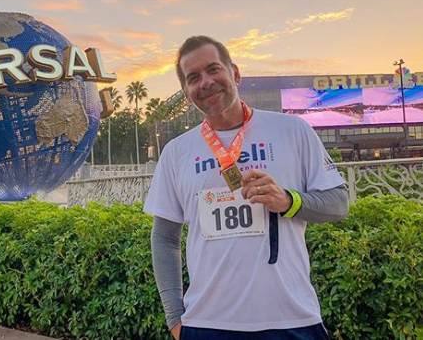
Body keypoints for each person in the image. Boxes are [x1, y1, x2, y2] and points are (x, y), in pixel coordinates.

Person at [144, 35, 349, 340]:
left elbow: (338, 203)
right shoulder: (177, 152)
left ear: (235, 73)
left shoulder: (292, 130)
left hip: (292, 319)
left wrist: (289, 201)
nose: (206, 82)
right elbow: (164, 237)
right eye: (193, 78)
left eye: (214, 69)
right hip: (207, 324)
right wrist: (175, 317)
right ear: (187, 93)